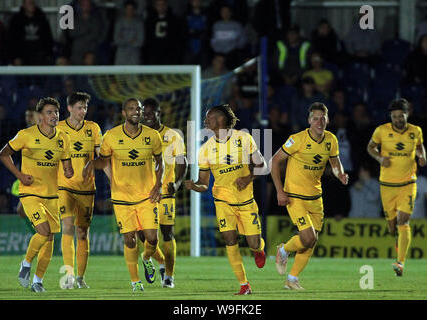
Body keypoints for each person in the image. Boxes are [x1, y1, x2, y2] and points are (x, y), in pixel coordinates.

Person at [82, 98, 164, 292]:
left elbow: (160, 161)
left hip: (147, 195)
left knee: (152, 239)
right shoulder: (111, 136)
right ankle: (135, 282)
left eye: (139, 109)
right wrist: (91, 164)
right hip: (122, 197)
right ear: (124, 112)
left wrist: (159, 184)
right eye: (131, 109)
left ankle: (146, 258)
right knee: (130, 240)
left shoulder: (152, 136)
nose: (136, 111)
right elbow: (103, 161)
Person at [185, 104, 267, 295]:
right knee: (229, 239)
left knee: (253, 243)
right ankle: (244, 284)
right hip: (223, 201)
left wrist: (248, 178)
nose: (206, 121)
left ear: (221, 119)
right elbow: (204, 183)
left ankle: (259, 250)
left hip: (246, 201)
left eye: (209, 117)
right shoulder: (205, 150)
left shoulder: (244, 138)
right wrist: (194, 186)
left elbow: (261, 164)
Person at [0, 97, 74, 292]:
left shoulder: (63, 138)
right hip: (30, 193)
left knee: (49, 240)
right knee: (44, 231)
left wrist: (69, 171)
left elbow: (67, 166)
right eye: (49, 112)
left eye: (56, 112)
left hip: (52, 195)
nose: (54, 115)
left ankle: (37, 281)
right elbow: (3, 153)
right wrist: (20, 175)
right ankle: (26, 263)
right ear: (40, 116)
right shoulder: (26, 135)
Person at [271, 102, 348, 290]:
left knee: (311, 241)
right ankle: (283, 250)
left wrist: (340, 174)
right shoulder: (296, 139)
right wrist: (280, 191)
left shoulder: (331, 140)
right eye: (315, 118)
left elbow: (335, 162)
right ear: (309, 120)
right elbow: (274, 161)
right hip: (295, 196)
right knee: (308, 237)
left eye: (323, 118)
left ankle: (292, 280)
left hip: (316, 197)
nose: (319, 122)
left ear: (327, 120)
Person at [367, 98, 427, 277]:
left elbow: (419, 146)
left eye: (401, 116)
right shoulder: (382, 131)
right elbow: (370, 147)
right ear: (390, 117)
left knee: (403, 221)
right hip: (387, 185)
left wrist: (422, 156)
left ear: (407, 114)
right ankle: (397, 242)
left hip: (408, 184)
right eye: (395, 116)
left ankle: (400, 263)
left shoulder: (415, 131)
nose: (398, 119)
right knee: (392, 226)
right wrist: (379, 158)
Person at [57, 92, 109, 289]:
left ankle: (80, 277)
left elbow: (102, 158)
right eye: (79, 107)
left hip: (87, 189)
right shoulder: (59, 128)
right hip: (65, 186)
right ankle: (69, 275)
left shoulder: (93, 128)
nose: (82, 111)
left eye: (85, 108)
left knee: (82, 232)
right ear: (69, 108)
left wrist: (113, 180)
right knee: (68, 226)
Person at [142, 98, 188, 288]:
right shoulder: (138, 135)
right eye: (145, 114)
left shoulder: (173, 135)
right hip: (142, 195)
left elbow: (182, 162)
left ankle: (169, 276)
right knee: (144, 238)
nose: (148, 117)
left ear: (160, 113)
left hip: (165, 193)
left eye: (152, 113)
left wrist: (177, 183)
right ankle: (157, 261)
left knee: (167, 234)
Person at [113, 0, 144, 65]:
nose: (130, 11)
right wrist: (131, 41)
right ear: (124, 9)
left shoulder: (139, 23)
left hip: (134, 55)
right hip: (121, 55)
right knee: (119, 74)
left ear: (135, 10)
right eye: (128, 9)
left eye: (132, 9)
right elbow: (116, 40)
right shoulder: (119, 22)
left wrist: (124, 40)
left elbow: (140, 41)